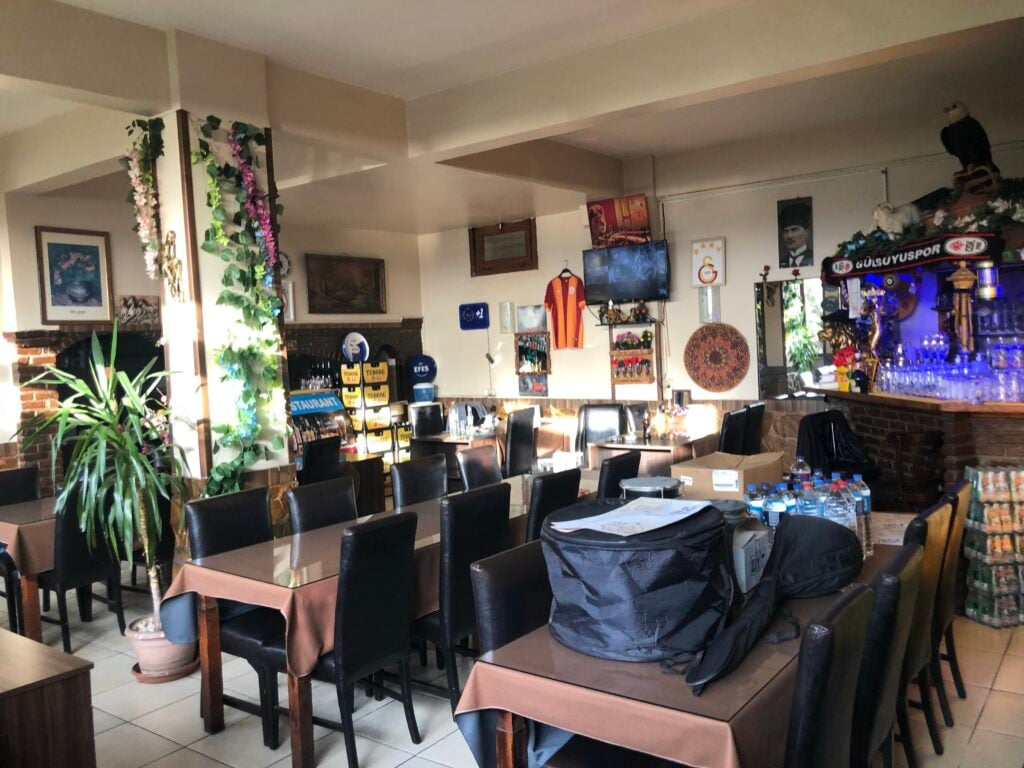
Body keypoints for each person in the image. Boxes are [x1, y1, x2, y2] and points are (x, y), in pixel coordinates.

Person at [778, 201, 814, 268]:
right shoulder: (781, 262)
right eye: (785, 231)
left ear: (806, 233)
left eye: (794, 230)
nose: (789, 236)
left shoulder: (813, 257)